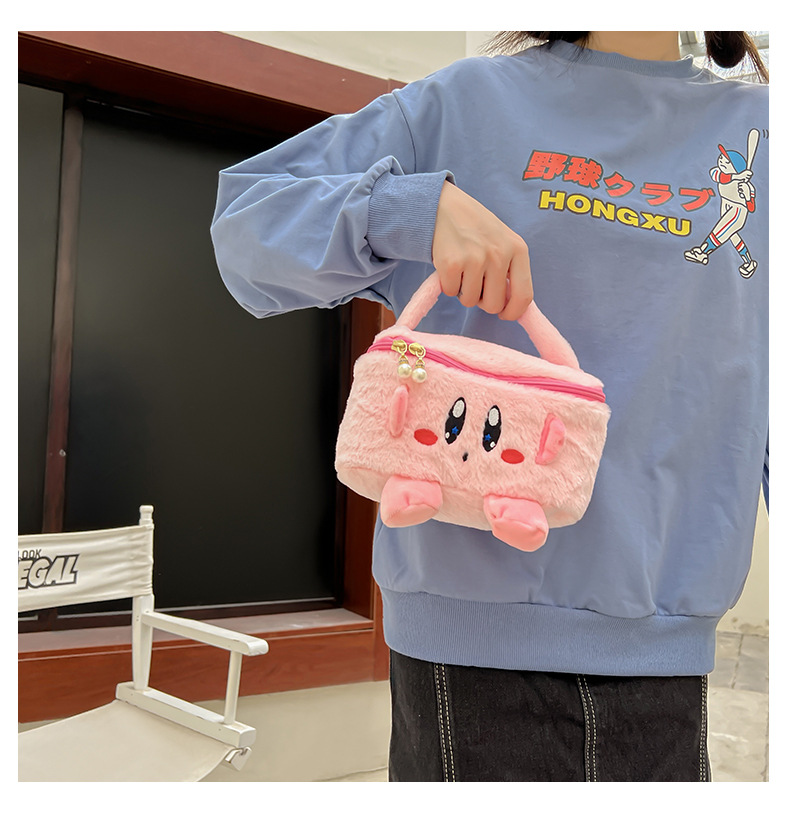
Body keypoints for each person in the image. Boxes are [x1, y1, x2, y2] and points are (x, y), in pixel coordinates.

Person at [211, 31, 769, 782]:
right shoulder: (463, 103)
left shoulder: (762, 132)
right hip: (463, 654)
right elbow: (245, 228)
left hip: (666, 651)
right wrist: (414, 209)